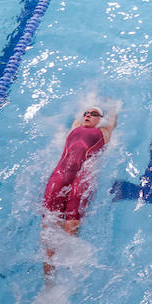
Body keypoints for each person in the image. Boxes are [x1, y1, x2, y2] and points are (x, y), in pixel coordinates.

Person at [42, 106, 117, 278]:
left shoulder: (104, 132)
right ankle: (49, 282)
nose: (89, 115)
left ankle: (67, 276)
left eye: (94, 114)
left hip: (83, 178)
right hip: (59, 175)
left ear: (101, 120)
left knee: (70, 229)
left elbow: (113, 117)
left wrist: (113, 106)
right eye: (86, 113)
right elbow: (80, 110)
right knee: (49, 232)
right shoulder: (76, 127)